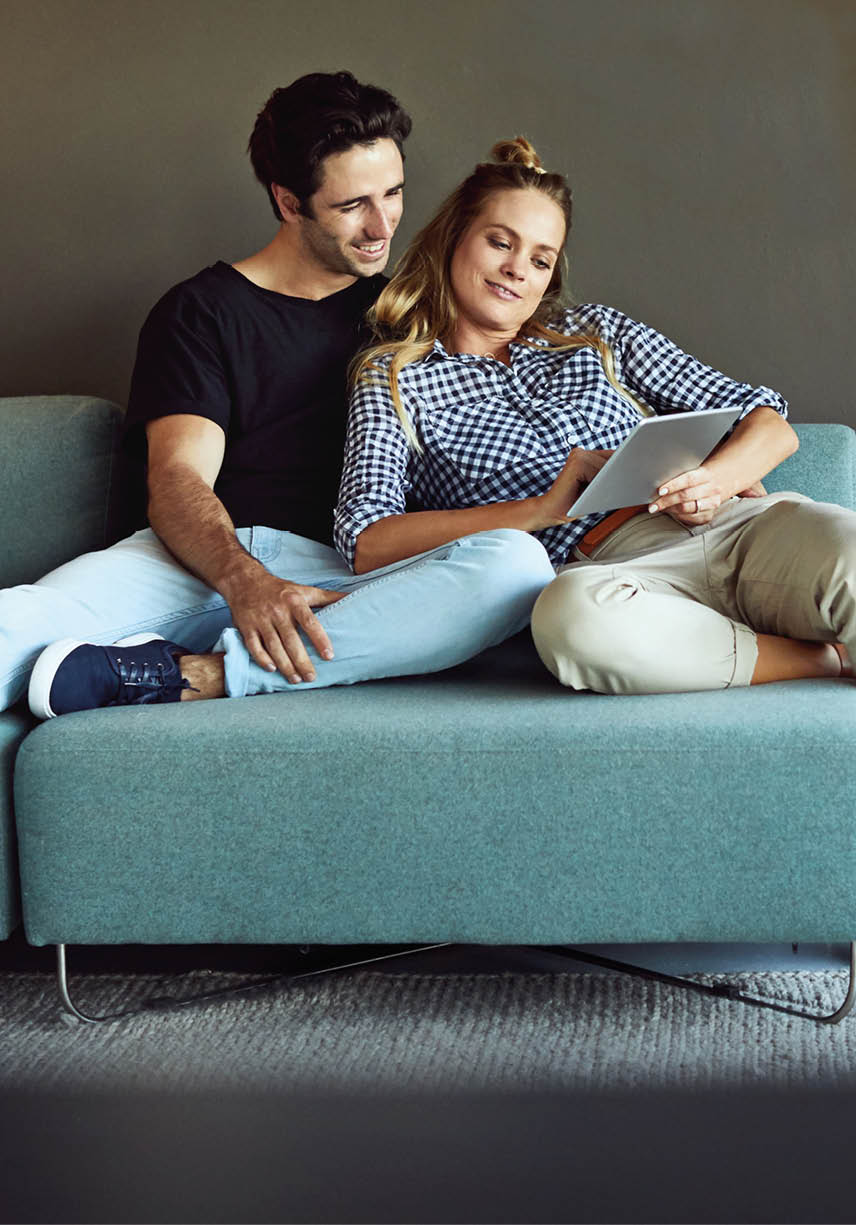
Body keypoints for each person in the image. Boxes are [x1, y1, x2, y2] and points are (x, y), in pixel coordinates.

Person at [17, 79, 554, 720]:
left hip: (357, 571)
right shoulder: (202, 311)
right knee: (13, 628)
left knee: (515, 564)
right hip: (200, 561)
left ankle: (196, 675)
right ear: (288, 201)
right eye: (352, 205)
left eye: (393, 193)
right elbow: (178, 480)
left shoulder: (411, 318)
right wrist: (247, 581)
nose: (382, 226)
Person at [327, 136, 856, 695]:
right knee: (573, 623)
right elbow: (366, 539)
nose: (516, 269)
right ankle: (825, 659)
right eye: (500, 242)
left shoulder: (597, 333)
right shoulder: (394, 377)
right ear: (454, 238)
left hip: (730, 531)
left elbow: (768, 421)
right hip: (606, 579)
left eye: (539, 260)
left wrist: (715, 480)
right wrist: (541, 509)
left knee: (846, 546)